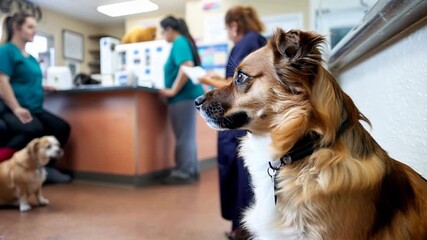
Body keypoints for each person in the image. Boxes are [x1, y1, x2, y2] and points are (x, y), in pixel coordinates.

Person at [198, 6, 267, 240]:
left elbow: (235, 83)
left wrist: (205, 78)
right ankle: (241, 228)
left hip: (237, 119)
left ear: (234, 25)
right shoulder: (254, 41)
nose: (228, 33)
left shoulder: (248, 42)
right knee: (239, 173)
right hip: (240, 117)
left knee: (241, 175)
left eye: (227, 28)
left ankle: (243, 230)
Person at [0, 13, 71, 183]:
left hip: (35, 109)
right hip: (12, 108)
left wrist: (42, 87)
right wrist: (16, 108)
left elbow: (26, 81)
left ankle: (46, 169)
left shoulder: (30, 58)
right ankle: (5, 164)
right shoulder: (6, 51)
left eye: (35, 28)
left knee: (61, 128)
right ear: (17, 28)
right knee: (33, 130)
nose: (34, 31)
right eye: (30, 27)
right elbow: (3, 81)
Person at [159, 16, 204, 185]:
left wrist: (173, 90)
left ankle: (183, 172)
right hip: (187, 96)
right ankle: (190, 170)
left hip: (183, 96)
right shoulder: (183, 41)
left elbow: (186, 65)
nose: (163, 35)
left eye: (163, 32)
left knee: (184, 136)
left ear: (169, 30)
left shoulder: (178, 42)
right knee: (187, 136)